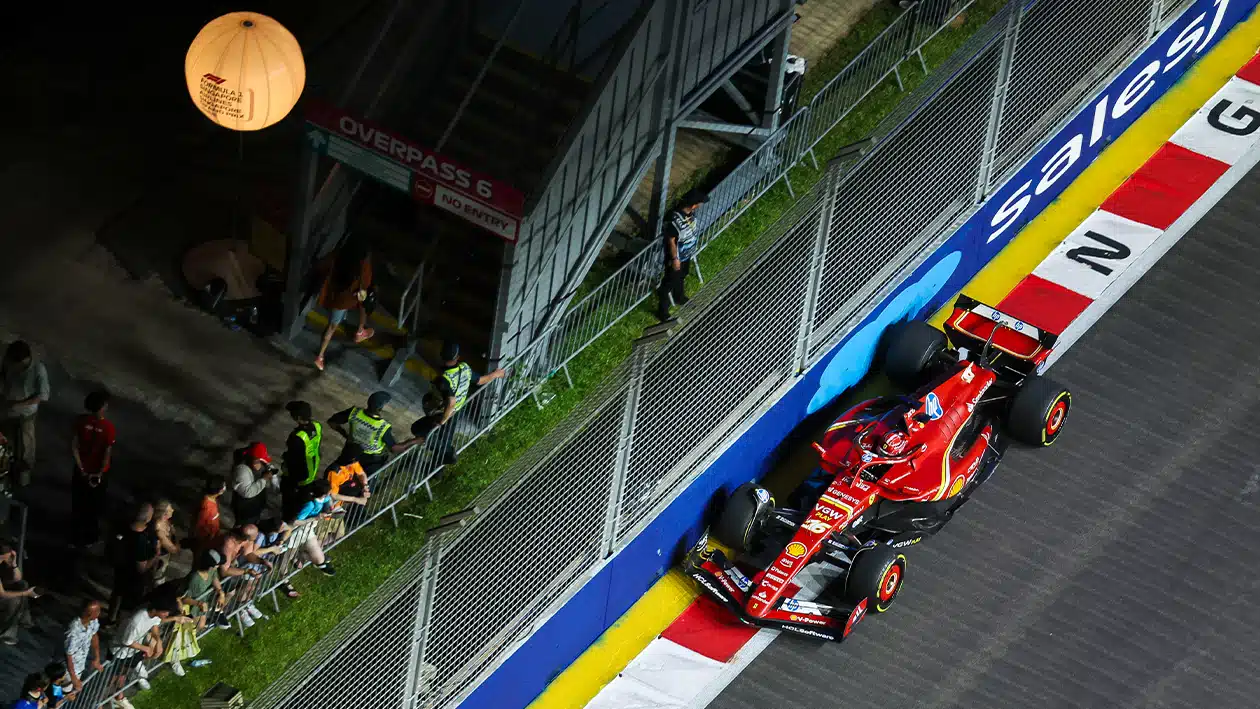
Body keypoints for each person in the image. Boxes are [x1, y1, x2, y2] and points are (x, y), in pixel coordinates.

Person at [412, 342, 505, 466]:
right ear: (457, 357)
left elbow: (451, 401)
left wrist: (442, 421)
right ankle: (438, 467)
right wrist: (496, 374)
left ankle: (448, 455)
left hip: (445, 414)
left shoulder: (445, 378)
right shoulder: (465, 368)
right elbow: (481, 380)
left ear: (441, 356)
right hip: (458, 411)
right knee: (445, 438)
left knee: (417, 428)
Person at [313, 237, 375, 371]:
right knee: (332, 327)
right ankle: (320, 356)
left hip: (331, 297)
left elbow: (321, 265)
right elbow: (364, 287)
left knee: (332, 325)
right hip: (344, 302)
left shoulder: (338, 255)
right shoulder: (363, 266)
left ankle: (320, 357)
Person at [328, 391, 420, 476]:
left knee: (343, 473)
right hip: (371, 460)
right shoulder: (382, 427)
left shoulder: (354, 412)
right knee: (366, 479)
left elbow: (332, 422)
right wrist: (413, 441)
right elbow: (394, 448)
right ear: (381, 408)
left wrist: (345, 434)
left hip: (350, 451)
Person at [1, 340, 50, 486]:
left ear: (25, 359)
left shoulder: (38, 370)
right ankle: (5, 475)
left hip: (25, 415)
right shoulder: (9, 361)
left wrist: (19, 404)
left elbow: (42, 395)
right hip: (7, 411)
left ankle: (23, 480)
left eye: (17, 364)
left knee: (25, 448)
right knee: (5, 444)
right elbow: (3, 375)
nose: (14, 367)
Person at [70, 389, 115, 548]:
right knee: (94, 508)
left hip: (81, 472)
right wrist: (99, 474)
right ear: (102, 407)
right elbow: (106, 454)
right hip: (97, 475)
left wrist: (81, 469)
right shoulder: (108, 428)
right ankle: (90, 539)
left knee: (78, 504)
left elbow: (74, 446)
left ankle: (75, 538)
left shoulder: (80, 421)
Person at [656, 190, 708, 323]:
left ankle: (679, 296)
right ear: (694, 204)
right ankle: (662, 311)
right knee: (668, 283)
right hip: (677, 258)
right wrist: (675, 259)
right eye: (700, 203)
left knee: (682, 275)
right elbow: (671, 241)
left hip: (685, 255)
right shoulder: (675, 220)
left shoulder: (689, 214)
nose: (700, 205)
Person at [108, 503, 159, 624]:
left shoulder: (123, 528)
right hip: (133, 579)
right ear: (147, 519)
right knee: (128, 604)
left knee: (117, 593)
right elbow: (142, 568)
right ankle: (120, 625)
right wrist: (156, 555)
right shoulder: (140, 541)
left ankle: (111, 618)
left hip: (120, 569)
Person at [218, 525, 271, 628]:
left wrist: (262, 561)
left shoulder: (245, 539)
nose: (256, 538)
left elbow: (248, 554)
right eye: (254, 537)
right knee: (230, 592)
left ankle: (238, 609)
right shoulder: (229, 543)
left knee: (241, 587)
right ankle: (218, 615)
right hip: (218, 567)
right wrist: (246, 571)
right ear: (246, 538)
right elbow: (224, 571)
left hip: (231, 565)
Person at [281, 401, 323, 520]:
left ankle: (288, 521)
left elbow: (292, 459)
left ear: (298, 418)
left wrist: (285, 464)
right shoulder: (317, 425)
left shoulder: (297, 437)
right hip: (312, 470)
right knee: (303, 500)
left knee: (290, 505)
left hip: (299, 477)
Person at [182, 550, 233, 630]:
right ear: (209, 566)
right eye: (217, 565)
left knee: (201, 626)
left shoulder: (212, 570)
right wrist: (199, 603)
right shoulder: (195, 579)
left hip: (204, 603)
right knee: (196, 627)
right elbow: (184, 599)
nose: (218, 566)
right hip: (193, 606)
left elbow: (214, 577)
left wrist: (221, 592)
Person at [63, 599, 105, 696]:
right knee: (63, 696)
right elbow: (69, 655)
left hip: (80, 665)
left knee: (71, 695)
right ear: (90, 613)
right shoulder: (74, 631)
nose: (99, 613)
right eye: (98, 610)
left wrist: (97, 658)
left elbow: (94, 635)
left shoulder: (93, 621)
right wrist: (74, 678)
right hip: (68, 670)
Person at [232, 442, 276, 527]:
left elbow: (265, 462)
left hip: (254, 505)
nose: (260, 463)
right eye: (258, 461)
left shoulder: (252, 458)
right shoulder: (242, 471)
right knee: (244, 528)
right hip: (245, 509)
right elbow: (247, 492)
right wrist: (264, 479)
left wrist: (267, 466)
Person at [0, 543, 36, 645]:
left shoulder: (3, 563)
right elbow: (2, 594)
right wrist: (26, 593)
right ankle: (6, 634)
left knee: (23, 584)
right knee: (15, 600)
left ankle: (23, 619)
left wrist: (14, 563)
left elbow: (17, 579)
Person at [192, 478, 228, 557]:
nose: (225, 488)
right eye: (223, 486)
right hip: (206, 538)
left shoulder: (212, 499)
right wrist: (210, 536)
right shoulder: (207, 507)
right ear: (219, 491)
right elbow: (200, 525)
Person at [150, 500, 184, 585]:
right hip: (159, 558)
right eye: (170, 509)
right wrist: (178, 542)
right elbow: (174, 549)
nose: (173, 510)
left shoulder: (166, 521)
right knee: (157, 577)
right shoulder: (158, 530)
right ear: (164, 514)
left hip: (165, 554)